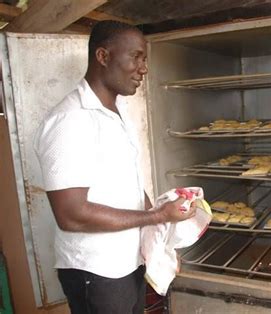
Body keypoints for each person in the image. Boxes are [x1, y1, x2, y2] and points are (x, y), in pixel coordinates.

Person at [34, 20, 196, 314]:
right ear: (103, 56)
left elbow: (126, 183)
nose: (143, 68)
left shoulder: (113, 114)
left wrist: (158, 242)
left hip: (127, 262)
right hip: (96, 272)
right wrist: (157, 214)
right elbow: (71, 215)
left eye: (144, 59)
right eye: (135, 57)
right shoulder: (72, 120)